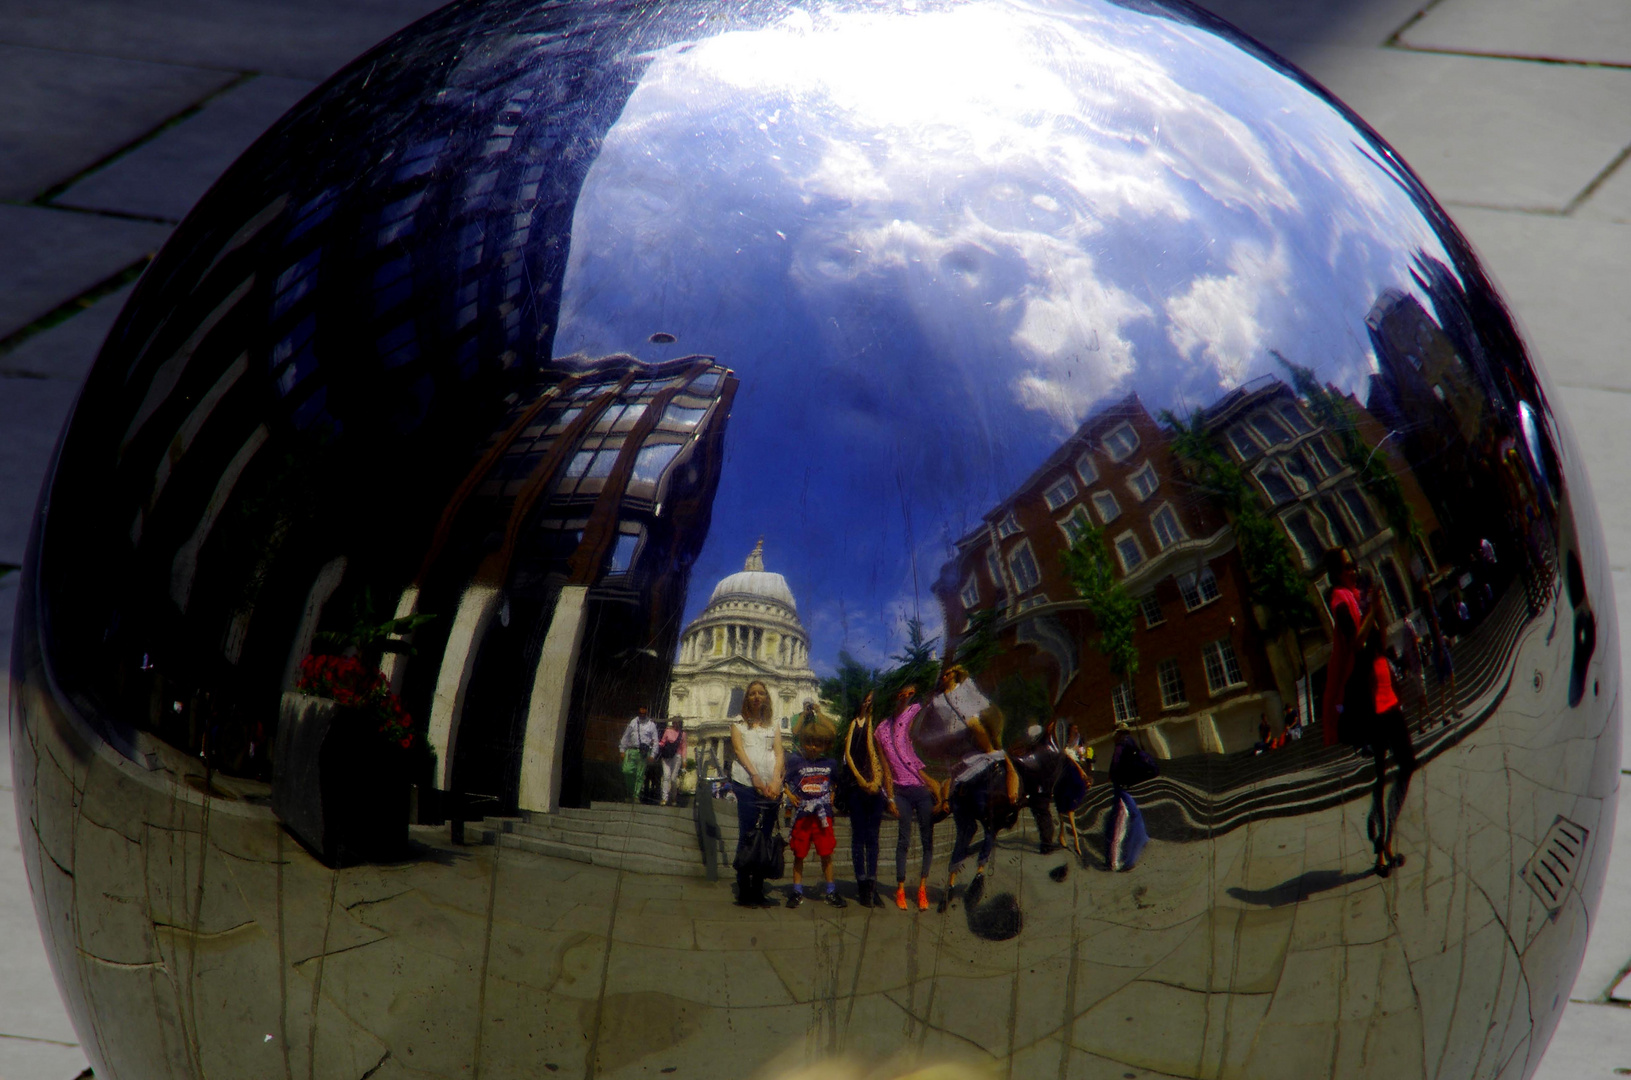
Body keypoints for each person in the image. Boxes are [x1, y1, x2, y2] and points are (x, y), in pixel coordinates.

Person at [936, 666, 1018, 910]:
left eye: (948, 673)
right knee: (971, 830)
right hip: (966, 775)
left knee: (986, 827)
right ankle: (952, 884)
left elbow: (984, 720)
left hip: (980, 769)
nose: (944, 677)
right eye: (943, 674)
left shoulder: (966, 690)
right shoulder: (941, 701)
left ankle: (978, 872)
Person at [876, 683, 939, 911]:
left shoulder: (915, 711)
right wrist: (890, 798)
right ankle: (900, 888)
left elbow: (925, 719)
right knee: (903, 838)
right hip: (900, 790)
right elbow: (884, 766)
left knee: (926, 838)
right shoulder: (881, 729)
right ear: (894, 696)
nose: (907, 698)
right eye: (903, 694)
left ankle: (922, 887)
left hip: (920, 787)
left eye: (911, 694)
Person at [1367, 626, 1416, 878]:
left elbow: (1394, 687)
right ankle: (1381, 851)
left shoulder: (1382, 660)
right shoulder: (1367, 663)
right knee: (1382, 777)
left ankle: (1384, 835)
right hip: (1380, 721)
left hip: (1391, 715)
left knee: (1404, 767)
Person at [729, 680, 784, 906]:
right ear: (747, 698)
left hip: (770, 786)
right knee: (748, 831)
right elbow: (739, 750)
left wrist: (775, 781)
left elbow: (779, 753)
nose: (756, 697)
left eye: (761, 693)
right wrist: (755, 777)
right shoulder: (738, 723)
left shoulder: (773, 725)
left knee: (767, 834)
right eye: (752, 693)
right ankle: (744, 885)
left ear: (766, 698)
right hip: (745, 782)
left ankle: (758, 886)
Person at [784, 713, 846, 908]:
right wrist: (789, 794)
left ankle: (830, 890)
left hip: (822, 816)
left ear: (824, 746)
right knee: (799, 855)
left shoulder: (830, 764)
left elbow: (836, 782)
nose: (812, 747)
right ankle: (797, 890)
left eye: (817, 744)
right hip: (803, 815)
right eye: (809, 742)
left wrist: (834, 793)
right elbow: (784, 780)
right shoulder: (795, 761)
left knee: (826, 854)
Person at [841, 691, 889, 908]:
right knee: (858, 838)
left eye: (872, 699)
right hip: (857, 785)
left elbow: (878, 752)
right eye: (866, 698)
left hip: (875, 785)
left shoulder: (876, 723)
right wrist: (861, 780)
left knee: (873, 839)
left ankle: (872, 883)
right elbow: (849, 754)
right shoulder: (855, 723)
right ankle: (862, 884)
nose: (869, 701)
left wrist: (877, 781)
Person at [1105, 722, 1155, 871]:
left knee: (1120, 822)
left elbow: (1116, 762)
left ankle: (1116, 861)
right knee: (1134, 814)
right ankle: (1141, 840)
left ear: (1118, 733)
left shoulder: (1121, 744)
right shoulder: (1132, 743)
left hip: (1122, 787)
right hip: (1129, 786)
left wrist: (1111, 775)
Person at [618, 707, 660, 800]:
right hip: (631, 750)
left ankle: (635, 795)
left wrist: (653, 754)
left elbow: (656, 740)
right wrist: (622, 750)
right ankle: (630, 791)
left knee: (640, 774)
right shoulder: (633, 722)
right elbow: (626, 736)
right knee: (627, 770)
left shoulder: (651, 725)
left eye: (643, 713)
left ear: (646, 713)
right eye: (640, 713)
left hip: (643, 752)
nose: (642, 715)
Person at [656, 719, 687, 806]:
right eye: (675, 723)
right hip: (666, 756)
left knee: (673, 778)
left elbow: (684, 747)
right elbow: (662, 742)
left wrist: (684, 760)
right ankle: (664, 798)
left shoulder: (683, 734)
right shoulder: (668, 731)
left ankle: (673, 797)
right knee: (666, 776)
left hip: (677, 757)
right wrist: (657, 745)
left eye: (678, 723)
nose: (676, 725)